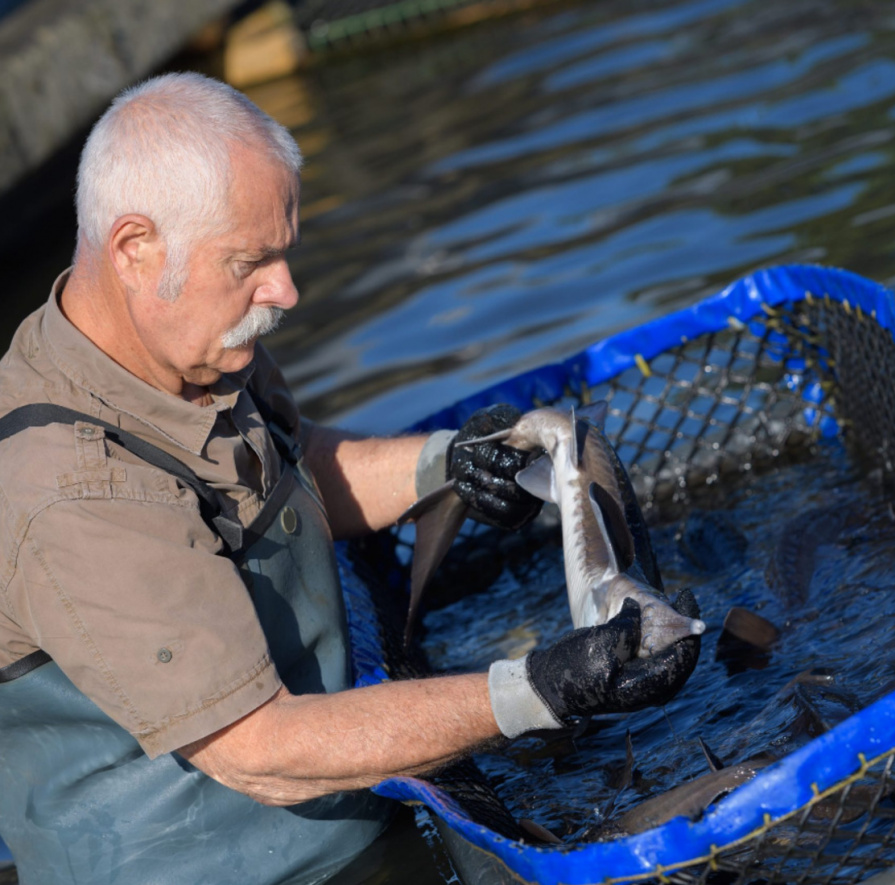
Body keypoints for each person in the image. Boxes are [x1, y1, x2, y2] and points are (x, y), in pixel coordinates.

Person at [0, 73, 683, 885]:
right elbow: (261, 749)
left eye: (283, 252)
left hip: (349, 802)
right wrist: (540, 688)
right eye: (250, 261)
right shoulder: (74, 493)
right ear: (135, 249)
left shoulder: (189, 339)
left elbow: (298, 459)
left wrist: (443, 464)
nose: (285, 290)